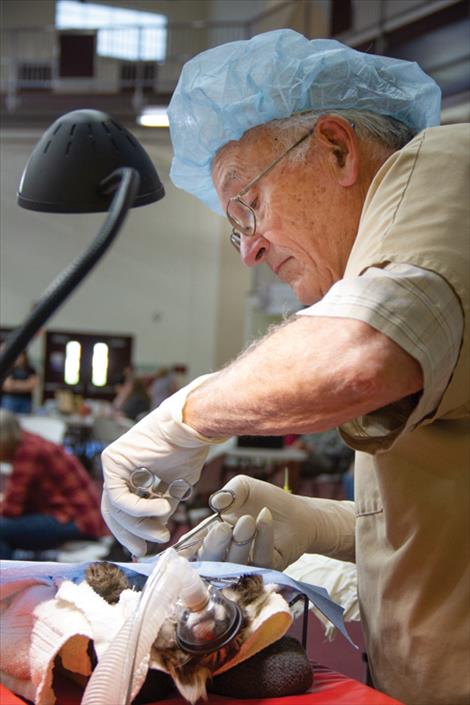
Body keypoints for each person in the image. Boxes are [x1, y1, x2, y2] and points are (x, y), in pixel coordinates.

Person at [100, 30, 469, 705]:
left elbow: (362, 354)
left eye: (248, 205)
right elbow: (443, 522)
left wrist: (182, 418)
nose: (249, 251)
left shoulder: (443, 164)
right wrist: (315, 524)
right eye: (235, 229)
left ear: (335, 147)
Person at [0, 409, 108, 559]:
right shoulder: (29, 441)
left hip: (78, 521)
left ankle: (9, 575)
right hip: (80, 516)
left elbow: (12, 509)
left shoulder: (28, 452)